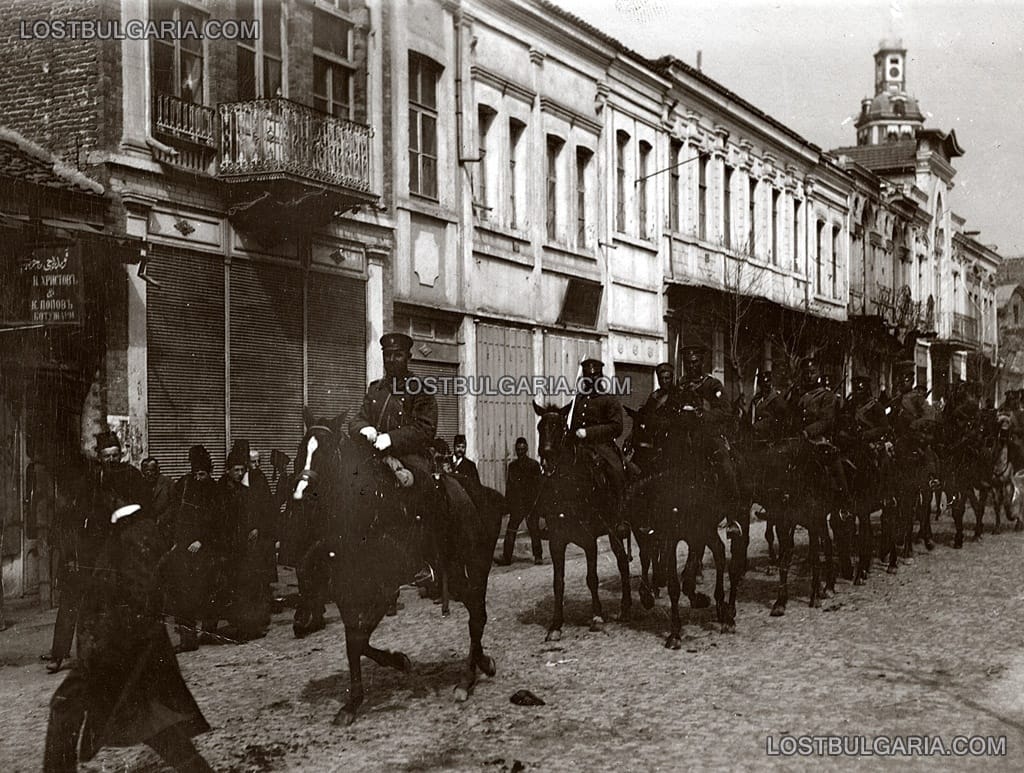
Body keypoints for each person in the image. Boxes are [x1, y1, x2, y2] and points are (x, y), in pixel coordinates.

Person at [43, 455, 212, 772]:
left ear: (118, 495)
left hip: (118, 652)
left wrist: (106, 643)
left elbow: (139, 598)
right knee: (159, 730)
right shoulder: (124, 529)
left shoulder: (135, 532)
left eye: (109, 491)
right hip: (121, 651)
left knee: (67, 711)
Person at [43, 432, 150, 674]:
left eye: (115, 455)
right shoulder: (90, 479)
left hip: (119, 547)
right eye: (106, 456)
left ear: (121, 454)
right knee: (71, 598)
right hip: (87, 549)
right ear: (98, 457)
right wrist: (72, 553)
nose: (111, 460)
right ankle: (58, 654)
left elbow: (143, 509)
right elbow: (75, 515)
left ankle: (117, 653)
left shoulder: (132, 476)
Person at [349, 332, 438, 586]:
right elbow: (357, 419)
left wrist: (392, 439)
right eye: (387, 355)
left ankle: (424, 561)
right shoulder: (375, 389)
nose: (391, 359)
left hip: (410, 457)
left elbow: (425, 429)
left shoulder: (420, 389)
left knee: (417, 492)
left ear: (408, 357)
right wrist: (362, 429)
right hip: (375, 457)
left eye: (397, 354)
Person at [674, 346, 743, 538]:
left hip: (709, 437)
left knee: (727, 468)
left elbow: (726, 411)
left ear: (701, 363)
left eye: (695, 362)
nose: (691, 366)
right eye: (688, 363)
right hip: (685, 437)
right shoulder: (680, 385)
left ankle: (732, 519)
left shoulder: (713, 385)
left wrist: (701, 414)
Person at [166, 446, 225, 653]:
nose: (198, 478)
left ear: (209, 472)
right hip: (185, 547)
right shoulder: (184, 486)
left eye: (202, 474)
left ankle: (209, 631)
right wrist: (176, 541)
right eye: (195, 473)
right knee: (183, 593)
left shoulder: (215, 490)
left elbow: (219, 522)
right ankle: (187, 638)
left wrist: (202, 540)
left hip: (207, 549)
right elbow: (177, 515)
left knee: (209, 590)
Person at [220, 441, 273, 642]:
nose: (241, 472)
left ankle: (251, 625)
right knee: (237, 587)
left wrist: (256, 528)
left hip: (248, 545)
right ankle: (242, 626)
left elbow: (260, 510)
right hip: (231, 546)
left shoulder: (248, 486)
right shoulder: (223, 489)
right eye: (237, 469)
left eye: (243, 469)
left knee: (250, 585)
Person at [569, 358, 626, 512]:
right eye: (588, 377)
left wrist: (588, 432)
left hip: (601, 447)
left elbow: (616, 427)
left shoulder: (609, 399)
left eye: (595, 376)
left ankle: (619, 513)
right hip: (579, 447)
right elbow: (573, 424)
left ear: (601, 377)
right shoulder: (580, 398)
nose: (591, 380)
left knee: (616, 471)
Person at [796, 357, 852, 512]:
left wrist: (808, 432)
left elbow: (826, 421)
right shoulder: (800, 396)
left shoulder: (827, 396)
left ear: (819, 373)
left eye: (812, 372)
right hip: (801, 439)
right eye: (806, 373)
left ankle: (844, 501)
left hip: (820, 439)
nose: (809, 376)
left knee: (832, 459)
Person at [497, 437, 543, 566]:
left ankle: (538, 556)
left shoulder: (534, 465)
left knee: (534, 530)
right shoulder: (512, 466)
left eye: (523, 449)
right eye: (518, 450)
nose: (521, 452)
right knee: (511, 530)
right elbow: (510, 487)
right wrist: (507, 505)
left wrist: (536, 504)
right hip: (517, 505)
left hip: (530, 504)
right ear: (516, 451)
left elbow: (539, 486)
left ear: (527, 449)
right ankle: (507, 558)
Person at [141, 457, 175, 549]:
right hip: (147, 530)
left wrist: (162, 519)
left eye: (152, 470)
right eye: (146, 471)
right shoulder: (140, 484)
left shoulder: (168, 483)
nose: (149, 474)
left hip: (165, 529)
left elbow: (174, 505)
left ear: (158, 470)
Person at [747, 370, 788, 442]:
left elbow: (777, 420)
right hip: (755, 437)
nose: (765, 387)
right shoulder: (756, 399)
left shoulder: (777, 399)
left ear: (771, 384)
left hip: (770, 438)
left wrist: (758, 426)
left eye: (767, 383)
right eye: (762, 385)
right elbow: (750, 417)